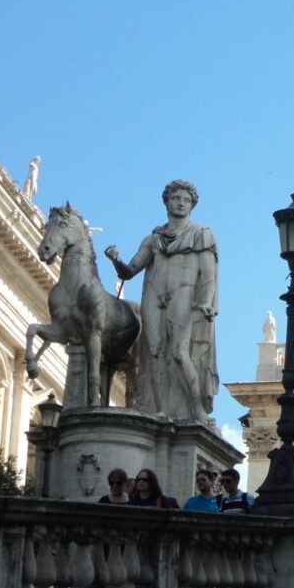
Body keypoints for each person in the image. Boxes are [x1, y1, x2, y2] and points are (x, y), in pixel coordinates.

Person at [105, 180, 218, 422]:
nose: (181, 203)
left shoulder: (201, 235)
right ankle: (158, 409)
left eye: (186, 200)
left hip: (183, 295)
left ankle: (197, 409)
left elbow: (208, 275)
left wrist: (207, 302)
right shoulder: (153, 239)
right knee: (153, 351)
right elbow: (129, 271)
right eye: (176, 198)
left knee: (179, 351)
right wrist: (116, 259)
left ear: (192, 205)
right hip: (153, 296)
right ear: (166, 202)